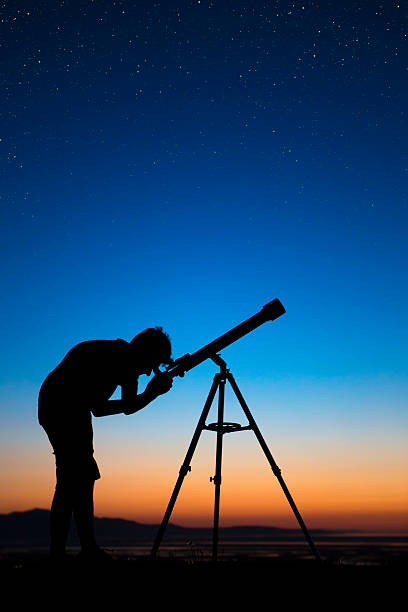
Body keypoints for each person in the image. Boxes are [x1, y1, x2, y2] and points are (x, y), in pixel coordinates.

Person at [38, 326, 173, 563]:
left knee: (80, 477)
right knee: (72, 479)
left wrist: (151, 393)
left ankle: (84, 549)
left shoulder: (123, 358)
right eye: (151, 366)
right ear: (145, 353)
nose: (148, 373)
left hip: (67, 408)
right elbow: (108, 408)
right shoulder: (116, 359)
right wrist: (152, 394)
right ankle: (63, 554)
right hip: (60, 407)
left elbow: (114, 407)